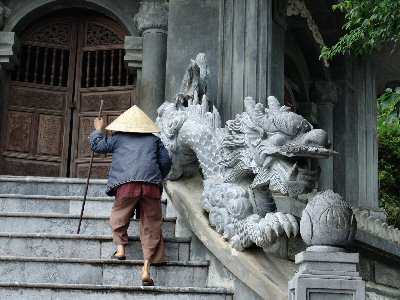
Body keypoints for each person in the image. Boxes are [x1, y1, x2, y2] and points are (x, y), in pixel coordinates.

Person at [89, 105, 172, 286]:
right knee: (151, 223)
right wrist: (158, 176)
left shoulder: (118, 138)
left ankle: (120, 250)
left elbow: (97, 146)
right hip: (151, 185)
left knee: (120, 215)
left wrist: (97, 129)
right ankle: (146, 267)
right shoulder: (154, 140)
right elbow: (166, 161)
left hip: (125, 184)